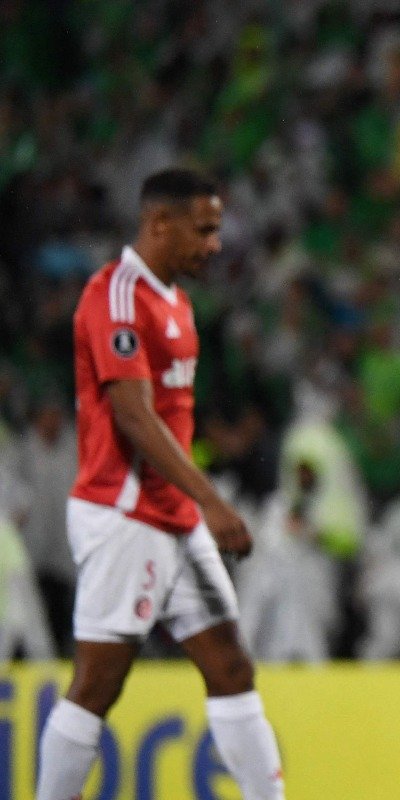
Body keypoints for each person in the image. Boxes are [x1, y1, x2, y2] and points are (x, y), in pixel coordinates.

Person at [37, 169, 286, 800]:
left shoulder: (176, 300)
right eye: (203, 230)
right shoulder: (117, 296)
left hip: (173, 517)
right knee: (97, 686)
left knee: (230, 665)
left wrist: (194, 503)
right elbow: (132, 414)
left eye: (216, 230)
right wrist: (214, 500)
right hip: (125, 515)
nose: (214, 244)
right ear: (159, 224)